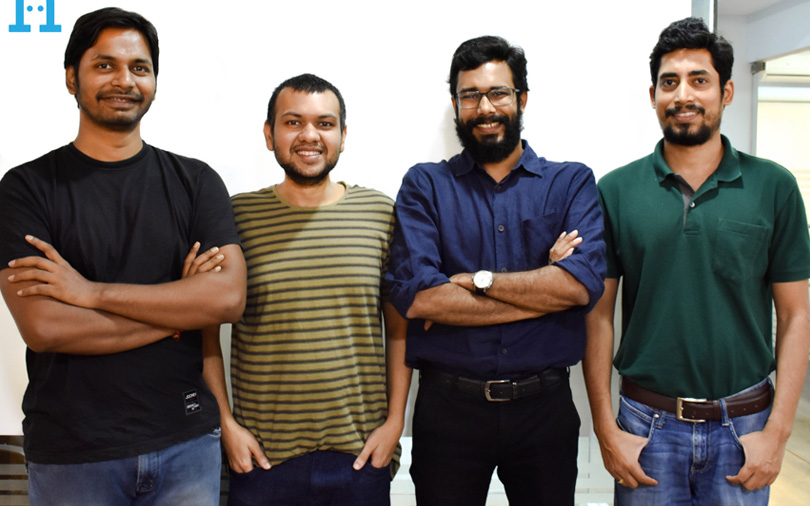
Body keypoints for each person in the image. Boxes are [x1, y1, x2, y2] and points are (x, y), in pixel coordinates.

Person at [0, 7, 247, 505]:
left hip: (186, 444)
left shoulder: (196, 182)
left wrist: (89, 293)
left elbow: (225, 300)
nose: (124, 80)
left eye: (139, 67)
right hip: (73, 454)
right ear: (72, 78)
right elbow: (46, 327)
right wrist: (179, 311)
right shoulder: (26, 189)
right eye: (104, 65)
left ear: (154, 81)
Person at [584, 17, 810, 506]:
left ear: (726, 92)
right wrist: (605, 427)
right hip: (646, 426)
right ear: (653, 96)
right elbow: (598, 315)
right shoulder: (615, 190)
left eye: (699, 80)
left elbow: (796, 314)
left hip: (745, 426)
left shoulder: (774, 187)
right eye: (669, 82)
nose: (682, 94)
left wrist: (778, 432)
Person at [386, 36, 606, 506]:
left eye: (498, 93)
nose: (484, 107)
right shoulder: (425, 185)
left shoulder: (571, 182)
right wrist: (544, 288)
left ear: (522, 99)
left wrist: (477, 282)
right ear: (455, 105)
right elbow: (422, 299)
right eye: (470, 95)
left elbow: (579, 287)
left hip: (545, 411)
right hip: (448, 412)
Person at [201, 73, 411, 506]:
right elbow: (204, 330)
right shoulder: (236, 217)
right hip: (262, 461)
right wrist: (226, 424)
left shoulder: (380, 212)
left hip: (360, 457)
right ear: (269, 134)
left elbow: (399, 328)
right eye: (293, 122)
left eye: (325, 123)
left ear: (343, 136)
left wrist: (395, 423)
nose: (309, 135)